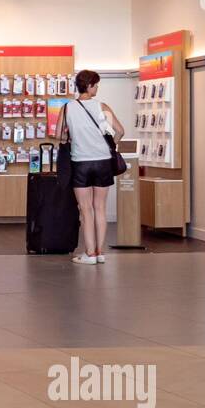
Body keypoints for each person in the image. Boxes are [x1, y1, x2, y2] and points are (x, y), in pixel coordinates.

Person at [61, 69, 125, 265]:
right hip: (103, 162)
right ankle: (100, 252)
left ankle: (89, 253)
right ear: (88, 86)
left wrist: (74, 135)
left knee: (85, 209)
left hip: (80, 162)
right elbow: (120, 131)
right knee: (100, 208)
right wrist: (109, 145)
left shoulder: (67, 108)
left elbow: (60, 136)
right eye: (96, 84)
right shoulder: (102, 106)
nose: (97, 88)